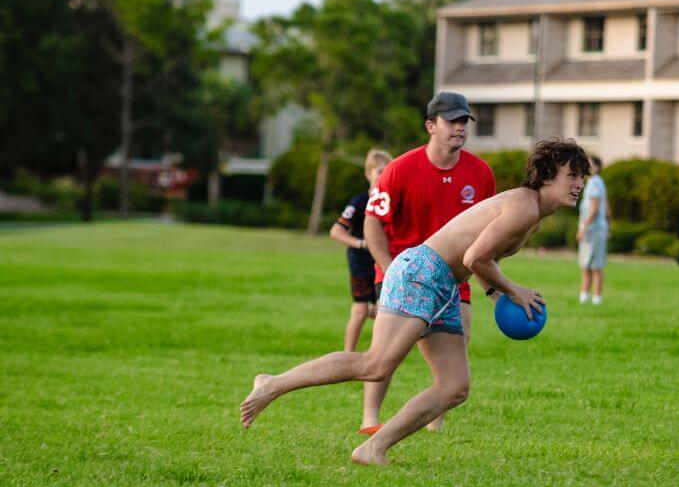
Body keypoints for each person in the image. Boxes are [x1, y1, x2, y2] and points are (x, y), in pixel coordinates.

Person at [239, 139, 589, 466]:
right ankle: (272, 383)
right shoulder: (523, 208)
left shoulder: (532, 215)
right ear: (546, 176)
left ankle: (373, 447)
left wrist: (497, 294)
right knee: (376, 365)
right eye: (572, 175)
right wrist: (514, 290)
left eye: (582, 176)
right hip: (421, 272)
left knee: (454, 387)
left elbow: (480, 259)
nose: (579, 183)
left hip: (444, 284)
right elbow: (475, 257)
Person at [360, 91, 495, 435]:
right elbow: (372, 223)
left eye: (464, 121)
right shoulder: (399, 169)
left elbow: (486, 237)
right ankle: (370, 419)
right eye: (452, 121)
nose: (460, 127)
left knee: (461, 332)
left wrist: (491, 287)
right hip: (402, 271)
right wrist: (390, 269)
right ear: (430, 126)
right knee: (386, 353)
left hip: (452, 274)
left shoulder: (480, 174)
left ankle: (436, 417)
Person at [328, 149, 392, 352]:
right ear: (368, 174)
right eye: (380, 171)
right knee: (360, 310)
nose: (384, 176)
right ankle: (348, 354)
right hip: (361, 263)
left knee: (385, 310)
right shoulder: (359, 202)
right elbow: (336, 231)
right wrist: (361, 243)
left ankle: (379, 354)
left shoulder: (392, 199)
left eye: (388, 171)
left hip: (383, 262)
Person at [576, 154, 612, 305]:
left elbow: (595, 208)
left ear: (597, 167)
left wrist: (583, 227)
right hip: (596, 229)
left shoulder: (594, 183)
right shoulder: (595, 183)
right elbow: (608, 209)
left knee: (595, 266)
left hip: (594, 230)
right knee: (586, 265)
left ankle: (595, 298)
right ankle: (584, 297)